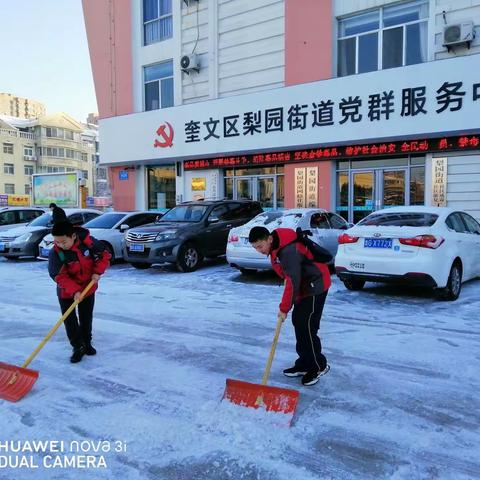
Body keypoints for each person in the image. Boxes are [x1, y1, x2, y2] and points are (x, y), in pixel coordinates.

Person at [248, 226, 332, 386]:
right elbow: (290, 277)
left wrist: (284, 308)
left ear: (269, 239)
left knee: (307, 326)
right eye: (255, 247)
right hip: (304, 286)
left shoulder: (287, 251)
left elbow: (292, 282)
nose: (259, 250)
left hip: (316, 285)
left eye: (260, 246)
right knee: (299, 322)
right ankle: (304, 362)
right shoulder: (276, 246)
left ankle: (318, 365)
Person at [48, 221, 111, 363]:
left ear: (73, 236)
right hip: (66, 291)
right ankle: (77, 346)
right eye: (57, 242)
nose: (60, 245)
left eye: (64, 242)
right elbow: (58, 276)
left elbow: (104, 255)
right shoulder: (56, 253)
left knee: (86, 317)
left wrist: (98, 271)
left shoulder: (88, 243)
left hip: (88, 287)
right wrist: (74, 291)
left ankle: (87, 342)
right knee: (69, 320)